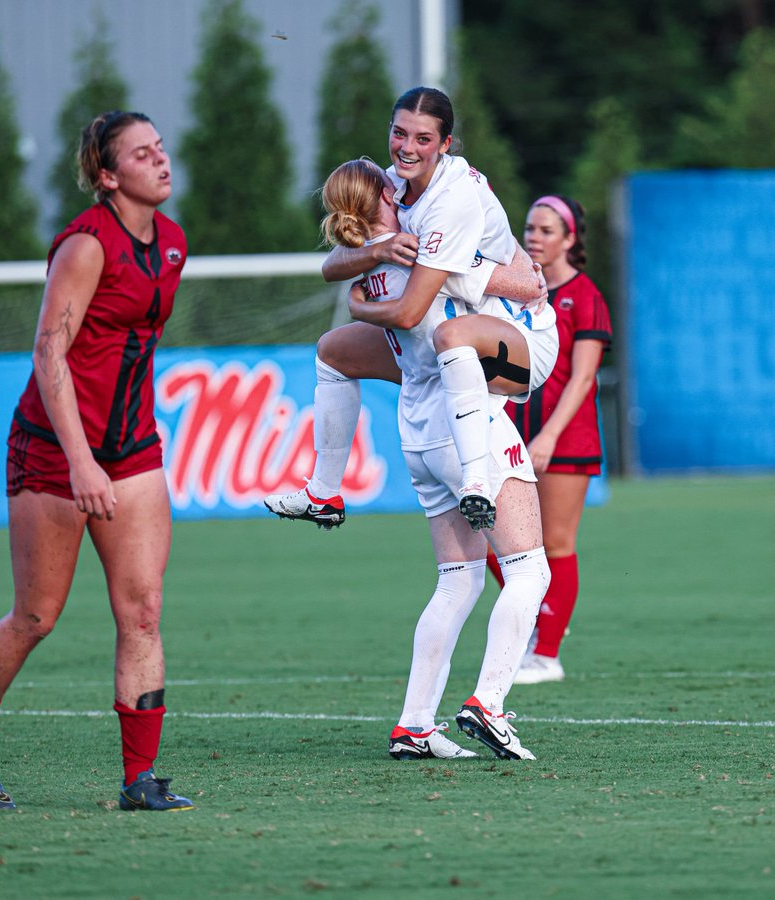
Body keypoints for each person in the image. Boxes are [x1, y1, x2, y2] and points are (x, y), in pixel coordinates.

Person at [0, 111, 193, 812]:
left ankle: (139, 780)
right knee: (37, 617)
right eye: (143, 154)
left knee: (142, 609)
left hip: (133, 448)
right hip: (54, 448)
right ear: (108, 176)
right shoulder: (86, 244)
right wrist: (82, 463)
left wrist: (115, 454)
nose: (161, 160)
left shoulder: (171, 242)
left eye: (161, 148)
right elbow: (49, 352)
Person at [316, 158, 551, 760]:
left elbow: (340, 272)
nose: (399, 175)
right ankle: (488, 705)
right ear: (381, 198)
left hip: (418, 431)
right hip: (465, 420)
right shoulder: (422, 247)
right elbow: (527, 286)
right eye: (386, 177)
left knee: (459, 579)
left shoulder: (369, 261)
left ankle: (414, 725)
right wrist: (499, 264)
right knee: (528, 572)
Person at [265, 86, 548, 532]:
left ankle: (476, 477)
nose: (406, 148)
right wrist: (378, 252)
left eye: (422, 139)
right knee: (333, 351)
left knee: (521, 571)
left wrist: (361, 307)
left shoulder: (449, 201)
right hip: (442, 355)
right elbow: (331, 266)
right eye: (399, 134)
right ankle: (323, 490)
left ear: (444, 145)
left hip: (517, 338)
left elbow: (514, 287)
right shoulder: (394, 185)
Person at [496, 195, 612, 686]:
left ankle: (546, 653)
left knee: (557, 544)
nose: (534, 238)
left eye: (546, 230)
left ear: (570, 239)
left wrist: (546, 436)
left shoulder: (585, 295)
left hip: (564, 437)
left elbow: (584, 378)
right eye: (530, 228)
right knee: (493, 540)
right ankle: (528, 627)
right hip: (510, 430)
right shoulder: (513, 288)